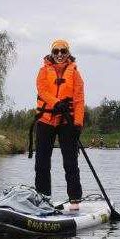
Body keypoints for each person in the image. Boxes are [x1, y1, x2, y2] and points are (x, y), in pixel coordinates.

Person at [33, 39, 84, 209]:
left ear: (68, 53)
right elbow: (42, 91)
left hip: (66, 122)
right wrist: (56, 103)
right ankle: (43, 198)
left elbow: (78, 100)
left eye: (63, 51)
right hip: (45, 120)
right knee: (41, 162)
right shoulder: (43, 71)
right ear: (52, 53)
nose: (60, 54)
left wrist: (78, 124)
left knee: (70, 162)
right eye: (56, 51)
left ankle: (75, 199)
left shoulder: (75, 74)